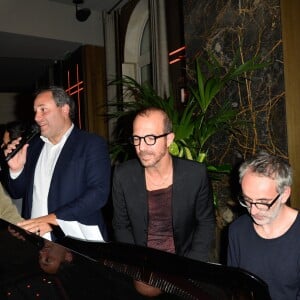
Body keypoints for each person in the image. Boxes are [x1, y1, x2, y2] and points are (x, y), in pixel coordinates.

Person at [4, 86, 111, 241]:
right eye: (35, 111)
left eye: (43, 110)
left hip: (76, 242)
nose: (36, 117)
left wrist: (54, 220)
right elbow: (17, 192)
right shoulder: (33, 147)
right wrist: (16, 170)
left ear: (65, 109)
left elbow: (98, 194)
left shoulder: (90, 144)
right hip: (35, 241)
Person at [112, 107, 215, 261]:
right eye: (136, 138)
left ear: (169, 139)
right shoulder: (123, 175)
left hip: (185, 262)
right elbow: (121, 226)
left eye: (150, 138)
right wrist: (137, 264)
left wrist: (193, 265)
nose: (142, 148)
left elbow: (205, 223)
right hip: (142, 264)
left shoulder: (195, 174)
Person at [227, 151, 300, 300]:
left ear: (284, 194)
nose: (253, 211)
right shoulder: (237, 231)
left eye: (262, 202)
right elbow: (233, 288)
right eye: (247, 200)